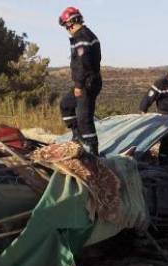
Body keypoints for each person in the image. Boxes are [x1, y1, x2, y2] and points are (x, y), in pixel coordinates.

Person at [58, 7, 102, 156]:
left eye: (66, 25)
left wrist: (79, 85)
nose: (66, 29)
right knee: (66, 105)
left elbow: (83, 63)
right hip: (85, 81)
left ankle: (92, 152)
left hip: (87, 83)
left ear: (72, 22)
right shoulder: (82, 35)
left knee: (84, 119)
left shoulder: (82, 37)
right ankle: (77, 137)